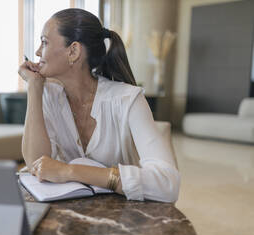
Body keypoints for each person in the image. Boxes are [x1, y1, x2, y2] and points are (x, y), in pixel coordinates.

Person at [18, 8, 180, 202]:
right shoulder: (48, 95)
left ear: (74, 51)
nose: (37, 51)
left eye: (44, 42)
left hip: (124, 217)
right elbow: (36, 163)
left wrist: (69, 171)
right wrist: (35, 88)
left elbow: (167, 184)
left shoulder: (128, 99)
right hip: (73, 212)